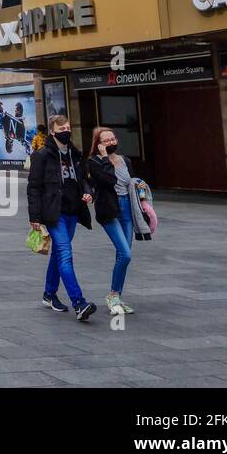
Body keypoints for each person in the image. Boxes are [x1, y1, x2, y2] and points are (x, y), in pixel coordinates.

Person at [28, 114, 97, 322]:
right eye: (62, 128)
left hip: (72, 211)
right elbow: (34, 187)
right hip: (53, 213)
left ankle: (49, 294)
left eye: (68, 127)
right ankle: (79, 303)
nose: (66, 131)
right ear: (52, 131)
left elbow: (84, 179)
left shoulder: (75, 154)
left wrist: (88, 192)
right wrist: (35, 216)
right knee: (66, 254)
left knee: (59, 253)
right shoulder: (42, 155)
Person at [86, 126, 152, 315]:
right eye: (106, 141)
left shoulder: (125, 160)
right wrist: (105, 157)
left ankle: (116, 296)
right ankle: (113, 296)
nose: (111, 143)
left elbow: (130, 182)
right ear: (98, 144)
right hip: (109, 210)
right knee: (125, 254)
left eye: (113, 139)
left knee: (121, 255)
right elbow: (108, 180)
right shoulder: (94, 162)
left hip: (127, 209)